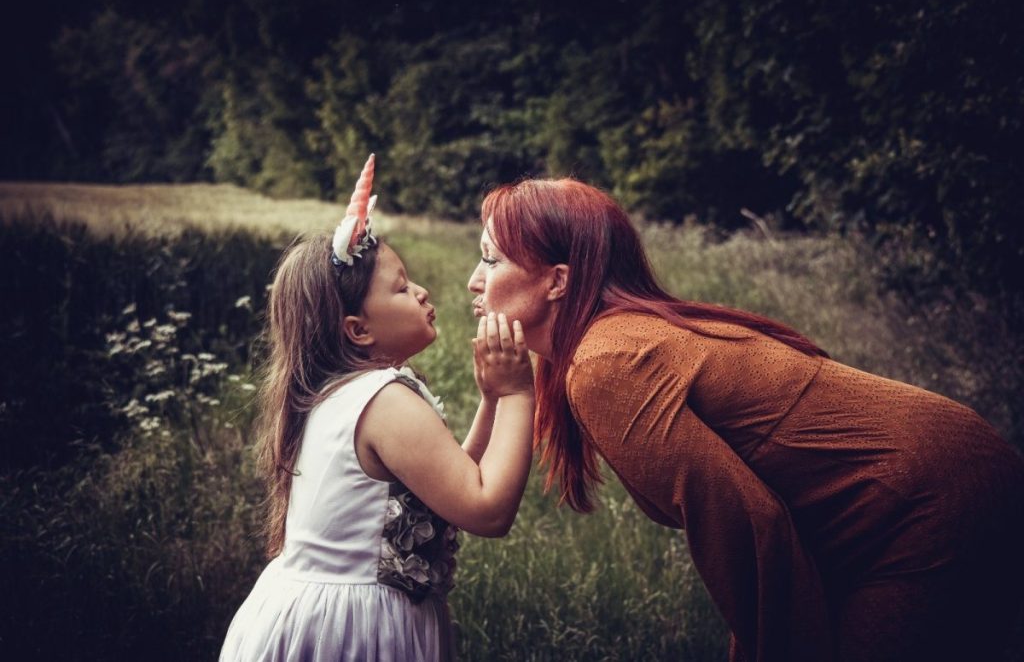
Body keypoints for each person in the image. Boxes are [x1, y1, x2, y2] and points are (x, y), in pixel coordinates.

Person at [466, 177, 1024, 662]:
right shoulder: (611, 343)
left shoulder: (604, 364)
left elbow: (747, 528)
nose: (473, 279)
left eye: (491, 259)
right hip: (938, 471)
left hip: (933, 496)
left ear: (558, 281)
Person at [221, 155, 535, 662]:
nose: (421, 291)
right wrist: (521, 393)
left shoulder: (342, 392)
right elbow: (486, 509)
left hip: (304, 614)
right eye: (401, 287)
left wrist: (493, 400)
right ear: (358, 330)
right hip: (351, 632)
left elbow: (447, 486)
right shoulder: (384, 400)